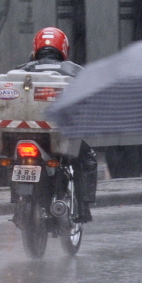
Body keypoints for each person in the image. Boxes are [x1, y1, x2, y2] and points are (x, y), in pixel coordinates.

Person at [20, 27, 96, 222]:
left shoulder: (22, 70)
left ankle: (17, 200)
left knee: (14, 162)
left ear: (35, 48)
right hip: (57, 135)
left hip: (24, 132)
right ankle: (83, 209)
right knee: (86, 158)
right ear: (63, 48)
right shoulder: (73, 70)